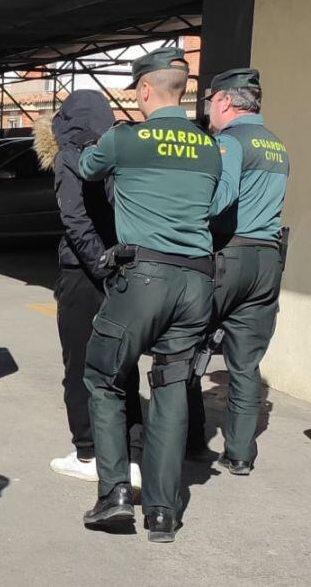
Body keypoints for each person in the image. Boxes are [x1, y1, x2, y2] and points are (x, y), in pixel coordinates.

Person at [76, 47, 220, 543]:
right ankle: (163, 513)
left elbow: (88, 168)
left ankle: (115, 494)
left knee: (104, 377)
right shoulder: (209, 147)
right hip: (197, 283)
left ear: (142, 89)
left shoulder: (123, 139)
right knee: (172, 388)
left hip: (142, 280)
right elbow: (218, 205)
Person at [32, 91, 144, 486]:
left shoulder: (69, 157)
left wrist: (101, 266)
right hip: (121, 268)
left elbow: (76, 223)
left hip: (84, 274)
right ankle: (130, 457)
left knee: (79, 365)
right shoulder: (116, 152)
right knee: (123, 365)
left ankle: (87, 453)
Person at [185, 68, 288, 475]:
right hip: (267, 260)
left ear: (225, 101)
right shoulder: (278, 144)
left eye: (210, 99)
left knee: (186, 347)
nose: (208, 107)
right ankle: (241, 453)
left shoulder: (229, 141)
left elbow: (218, 201)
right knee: (246, 362)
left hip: (229, 256)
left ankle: (190, 440)